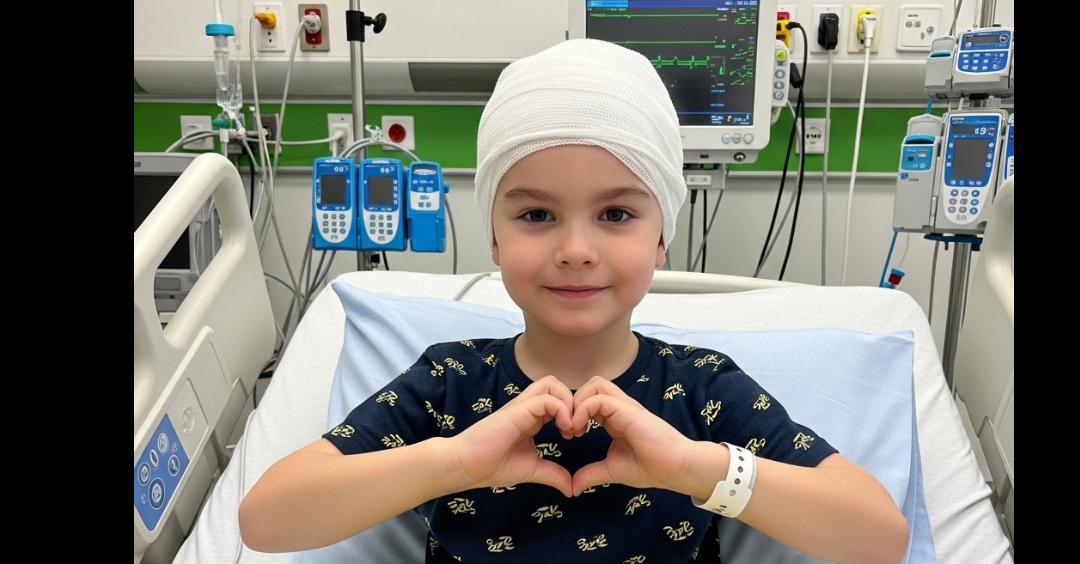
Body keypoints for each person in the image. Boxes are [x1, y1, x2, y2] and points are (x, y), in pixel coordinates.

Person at [239, 38, 909, 563]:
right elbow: (266, 521)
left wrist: (691, 466)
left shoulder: (701, 392)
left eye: (616, 214)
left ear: (661, 240)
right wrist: (453, 462)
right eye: (536, 215)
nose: (576, 249)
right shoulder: (449, 382)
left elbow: (879, 537)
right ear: (494, 240)